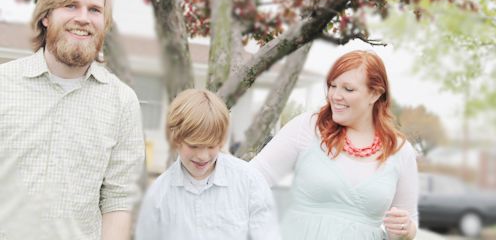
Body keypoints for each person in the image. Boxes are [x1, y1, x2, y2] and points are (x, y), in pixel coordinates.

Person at [0, 0, 145, 240]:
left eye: (95, 10)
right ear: (46, 16)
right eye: (70, 6)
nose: (83, 18)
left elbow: (118, 200)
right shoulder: (3, 85)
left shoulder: (122, 103)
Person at [251, 50, 419, 240]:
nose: (335, 96)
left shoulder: (399, 150)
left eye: (348, 89)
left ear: (374, 94)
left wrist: (404, 230)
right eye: (333, 86)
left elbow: (408, 223)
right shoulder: (308, 127)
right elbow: (251, 181)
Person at [135, 89, 280, 240]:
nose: (202, 156)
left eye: (211, 146)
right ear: (176, 139)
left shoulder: (250, 182)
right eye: (194, 146)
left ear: (221, 141)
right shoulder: (158, 196)